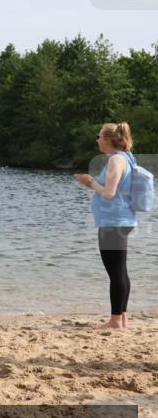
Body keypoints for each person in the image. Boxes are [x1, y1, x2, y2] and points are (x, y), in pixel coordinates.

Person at [75, 122, 137, 330]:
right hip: (120, 220)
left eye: (100, 135)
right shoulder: (124, 158)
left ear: (110, 140)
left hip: (113, 222)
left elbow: (109, 192)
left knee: (116, 273)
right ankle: (122, 318)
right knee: (120, 272)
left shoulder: (116, 160)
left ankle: (115, 321)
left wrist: (89, 182)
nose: (97, 139)